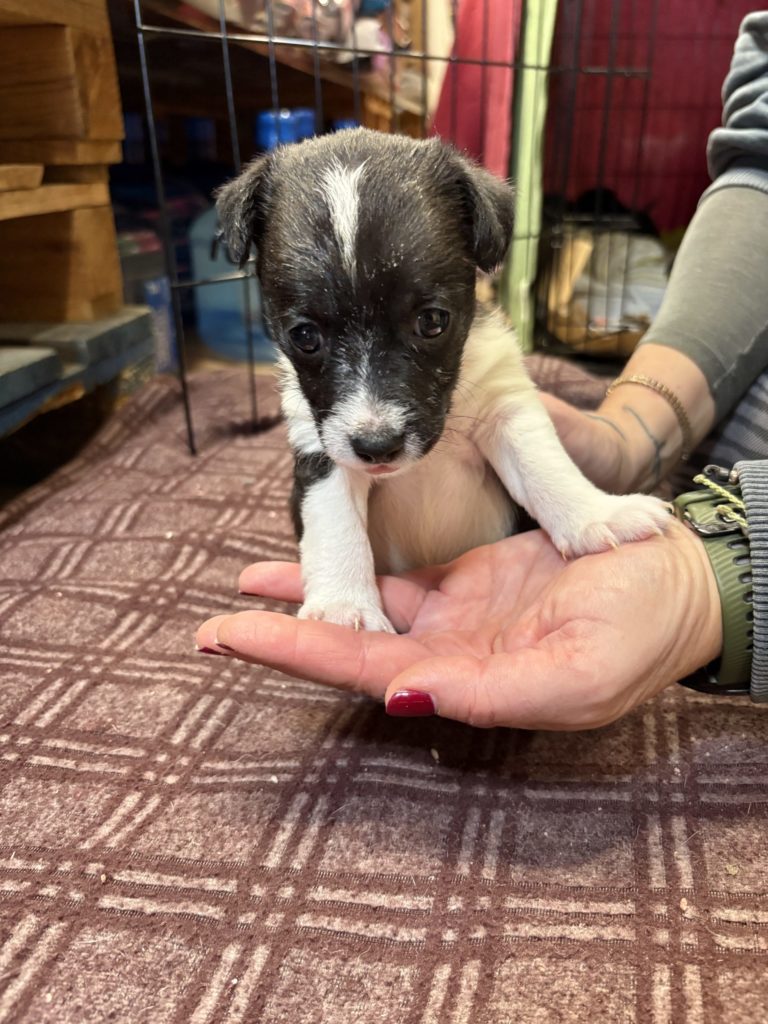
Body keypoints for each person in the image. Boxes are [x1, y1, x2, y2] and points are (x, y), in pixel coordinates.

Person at [196, 11, 768, 728]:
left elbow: (513, 425)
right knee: (326, 462)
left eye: (429, 323)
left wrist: (583, 513)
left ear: (477, 258)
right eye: (307, 337)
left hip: (494, 571)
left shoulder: (485, 347)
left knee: (506, 413)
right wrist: (340, 589)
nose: (372, 420)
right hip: (393, 589)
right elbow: (327, 481)